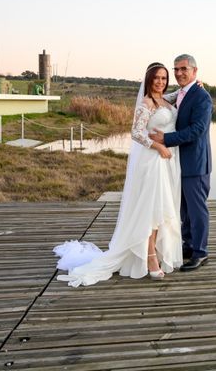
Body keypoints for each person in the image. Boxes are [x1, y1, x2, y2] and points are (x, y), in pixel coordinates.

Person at [54, 62, 183, 287]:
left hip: (165, 164)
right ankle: (150, 256)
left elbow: (177, 93)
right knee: (151, 210)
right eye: (156, 78)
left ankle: (153, 252)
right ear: (149, 79)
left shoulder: (165, 100)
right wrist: (159, 147)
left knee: (160, 208)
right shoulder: (146, 103)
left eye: (164, 78)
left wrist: (193, 85)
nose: (160, 82)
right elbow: (135, 133)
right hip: (151, 161)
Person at [151, 54, 213, 271]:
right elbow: (157, 95)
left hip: (195, 163)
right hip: (178, 162)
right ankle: (189, 244)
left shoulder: (202, 97)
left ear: (195, 71)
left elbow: (197, 131)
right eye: (176, 69)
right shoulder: (183, 93)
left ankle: (200, 252)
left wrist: (165, 139)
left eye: (183, 69)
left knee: (197, 210)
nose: (179, 73)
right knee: (184, 209)